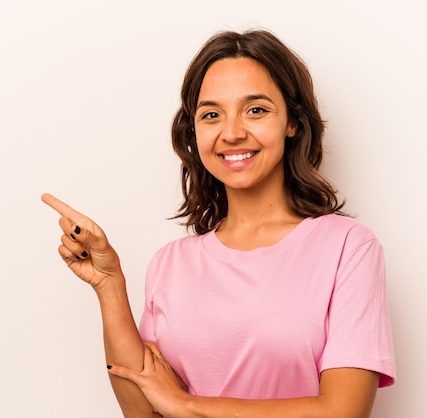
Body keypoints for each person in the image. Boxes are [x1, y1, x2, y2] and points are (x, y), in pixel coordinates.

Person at [42, 28, 395, 418]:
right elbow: (143, 411)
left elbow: (343, 411)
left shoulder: (347, 247)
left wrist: (187, 405)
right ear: (194, 131)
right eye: (212, 114)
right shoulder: (170, 263)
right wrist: (109, 286)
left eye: (256, 110)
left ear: (293, 121)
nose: (232, 133)